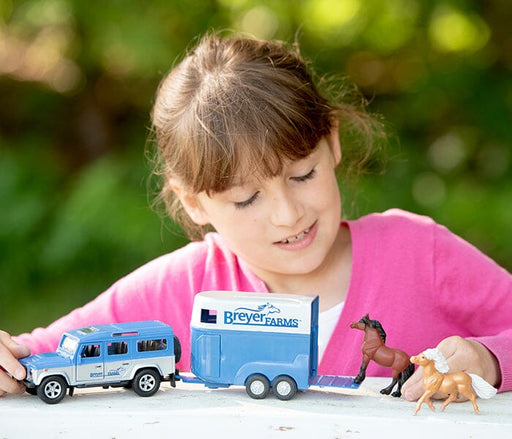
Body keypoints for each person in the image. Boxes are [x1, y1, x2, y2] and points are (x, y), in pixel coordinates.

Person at [1, 33, 510, 401]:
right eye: (247, 200)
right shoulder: (182, 287)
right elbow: (40, 356)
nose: (289, 215)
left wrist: (488, 359)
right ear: (196, 203)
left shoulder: (419, 252)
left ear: (330, 142)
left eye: (302, 174)